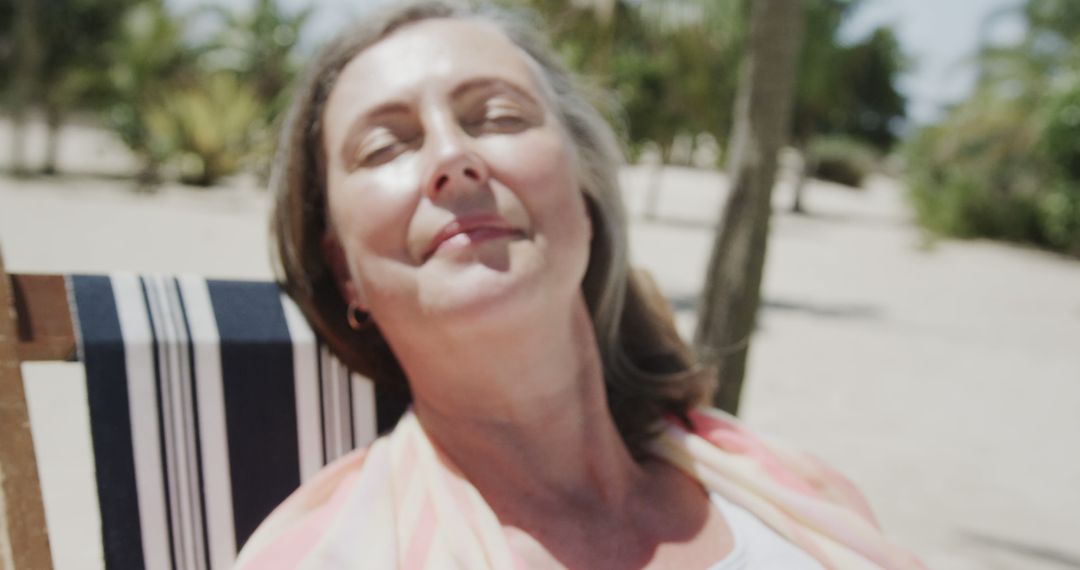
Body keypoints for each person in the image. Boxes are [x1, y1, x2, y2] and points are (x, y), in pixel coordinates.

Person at [236, 1, 923, 568]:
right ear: (343, 270)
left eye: (499, 117)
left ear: (586, 197)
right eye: (385, 146)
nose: (454, 158)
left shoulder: (801, 494)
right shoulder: (323, 553)